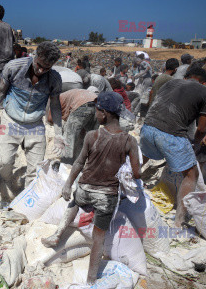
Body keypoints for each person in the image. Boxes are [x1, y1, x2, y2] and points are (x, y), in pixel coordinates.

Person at [41, 91, 141, 285]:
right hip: (107, 196)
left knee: (74, 203)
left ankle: (57, 234)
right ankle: (91, 279)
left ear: (103, 113)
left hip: (85, 189)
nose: (95, 114)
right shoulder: (130, 141)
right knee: (98, 238)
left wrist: (68, 184)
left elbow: (78, 163)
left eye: (96, 111)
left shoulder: (91, 136)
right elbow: (137, 174)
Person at [0, 41, 66, 200]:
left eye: (46, 68)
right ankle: (8, 181)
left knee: (36, 169)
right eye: (39, 65)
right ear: (35, 56)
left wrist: (59, 134)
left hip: (35, 126)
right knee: (4, 162)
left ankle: (26, 201)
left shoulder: (54, 79)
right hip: (11, 121)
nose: (41, 70)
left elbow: (55, 106)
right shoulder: (14, 68)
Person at [140, 68, 206, 227]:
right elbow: (201, 128)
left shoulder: (172, 82)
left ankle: (125, 185)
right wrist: (195, 143)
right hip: (171, 134)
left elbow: (157, 103)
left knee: (143, 156)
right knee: (191, 174)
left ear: (187, 77)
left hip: (148, 126)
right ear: (204, 81)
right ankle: (180, 220)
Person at [46, 88, 98, 165]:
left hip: (81, 104)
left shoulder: (56, 99)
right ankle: (84, 164)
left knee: (68, 138)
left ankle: (66, 165)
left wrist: (59, 135)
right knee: (88, 138)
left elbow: (51, 119)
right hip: (97, 105)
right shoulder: (66, 96)